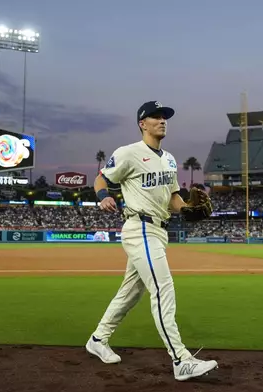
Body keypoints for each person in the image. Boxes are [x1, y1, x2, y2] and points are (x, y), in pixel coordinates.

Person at [85, 101, 217, 381]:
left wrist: (189, 210)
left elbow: (173, 199)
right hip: (139, 228)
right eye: (155, 117)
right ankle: (181, 360)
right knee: (163, 288)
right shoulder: (128, 153)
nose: (162, 121)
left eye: (164, 117)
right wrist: (103, 196)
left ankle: (98, 339)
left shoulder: (168, 158)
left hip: (159, 230)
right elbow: (101, 179)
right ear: (142, 124)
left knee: (131, 293)